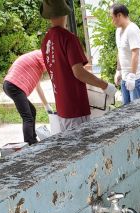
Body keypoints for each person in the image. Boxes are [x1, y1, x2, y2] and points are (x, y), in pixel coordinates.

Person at [40, 0, 116, 133]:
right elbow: (79, 72)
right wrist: (105, 85)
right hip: (76, 107)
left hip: (62, 107)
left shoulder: (46, 40)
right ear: (65, 13)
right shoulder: (69, 38)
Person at [3, 50, 52, 145]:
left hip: (10, 85)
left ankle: (33, 139)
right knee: (27, 117)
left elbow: (38, 87)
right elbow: (52, 69)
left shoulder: (35, 64)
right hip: (14, 85)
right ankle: (30, 143)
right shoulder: (42, 55)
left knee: (32, 111)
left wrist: (46, 105)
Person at [111, 4, 140, 105]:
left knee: (136, 111)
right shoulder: (118, 31)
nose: (112, 21)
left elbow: (135, 54)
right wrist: (118, 70)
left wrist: (132, 76)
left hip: (136, 77)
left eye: (112, 17)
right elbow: (120, 51)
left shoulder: (132, 30)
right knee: (126, 110)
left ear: (119, 15)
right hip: (125, 76)